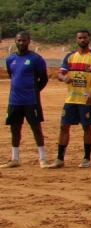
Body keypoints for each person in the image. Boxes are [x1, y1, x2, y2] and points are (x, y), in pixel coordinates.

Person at [54, 29, 91, 168]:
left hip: (86, 99)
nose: (82, 40)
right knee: (64, 126)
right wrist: (64, 78)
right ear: (76, 40)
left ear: (89, 39)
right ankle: (59, 158)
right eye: (80, 38)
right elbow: (59, 74)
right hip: (71, 98)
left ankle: (86, 158)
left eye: (85, 37)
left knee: (86, 126)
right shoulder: (70, 56)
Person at [3, 31, 48, 168]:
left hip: (31, 100)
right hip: (14, 100)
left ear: (29, 42)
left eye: (24, 40)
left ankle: (42, 159)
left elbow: (43, 79)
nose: (21, 43)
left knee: (36, 128)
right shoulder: (10, 59)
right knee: (14, 129)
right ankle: (15, 158)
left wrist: (34, 91)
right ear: (15, 41)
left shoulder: (36, 59)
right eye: (19, 40)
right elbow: (12, 75)